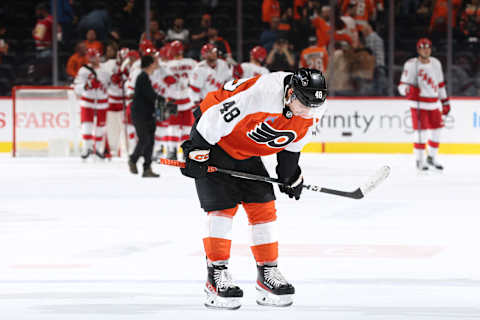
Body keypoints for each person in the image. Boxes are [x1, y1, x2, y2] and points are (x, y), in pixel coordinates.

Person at [180, 68, 328, 309]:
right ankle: (216, 277)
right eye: (303, 103)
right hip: (215, 138)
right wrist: (196, 151)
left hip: (246, 146)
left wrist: (290, 175)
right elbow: (213, 119)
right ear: (290, 92)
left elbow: (293, 142)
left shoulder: (314, 105)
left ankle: (267, 275)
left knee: (263, 206)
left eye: (312, 105)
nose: (307, 111)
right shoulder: (262, 94)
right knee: (222, 208)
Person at [398, 38, 451, 171]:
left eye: (427, 47)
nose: (425, 50)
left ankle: (431, 158)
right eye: (422, 48)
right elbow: (401, 86)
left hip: (433, 103)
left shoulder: (436, 63)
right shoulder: (411, 64)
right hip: (418, 104)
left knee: (437, 130)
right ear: (418, 50)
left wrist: (444, 101)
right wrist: (409, 90)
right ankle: (419, 161)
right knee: (421, 132)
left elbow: (440, 84)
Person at [128, 55, 164, 178]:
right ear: (150, 64)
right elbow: (149, 94)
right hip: (140, 113)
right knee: (144, 139)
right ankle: (133, 159)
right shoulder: (142, 76)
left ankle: (147, 168)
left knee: (150, 141)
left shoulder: (145, 76)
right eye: (155, 62)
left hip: (148, 113)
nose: (157, 63)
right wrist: (161, 99)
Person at [73, 48, 111, 160]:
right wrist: (87, 85)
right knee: (86, 126)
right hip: (88, 101)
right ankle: (86, 148)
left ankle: (98, 149)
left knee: (101, 127)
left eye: (95, 56)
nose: (94, 59)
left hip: (102, 102)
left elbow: (110, 85)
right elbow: (77, 87)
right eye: (91, 56)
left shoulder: (105, 71)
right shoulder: (83, 70)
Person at [162, 40, 197, 160]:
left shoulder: (167, 65)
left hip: (172, 100)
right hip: (187, 99)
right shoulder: (192, 63)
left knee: (173, 126)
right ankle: (185, 152)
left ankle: (172, 151)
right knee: (187, 127)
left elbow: (164, 81)